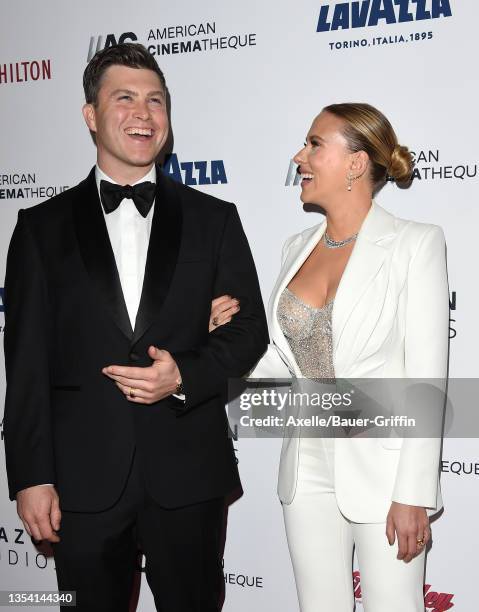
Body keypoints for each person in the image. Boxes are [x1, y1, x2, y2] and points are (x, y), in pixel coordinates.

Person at [3, 42, 268, 612]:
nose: (143, 114)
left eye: (156, 100)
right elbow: (24, 365)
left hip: (187, 474)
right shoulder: (39, 229)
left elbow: (250, 331)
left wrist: (184, 375)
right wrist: (30, 476)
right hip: (80, 481)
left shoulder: (213, 218)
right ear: (91, 115)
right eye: (124, 98)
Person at [212, 103, 449, 611]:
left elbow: (428, 380)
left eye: (315, 144)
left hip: (385, 471)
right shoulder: (296, 246)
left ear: (357, 163)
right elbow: (285, 360)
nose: (300, 155)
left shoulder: (415, 244)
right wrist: (221, 345)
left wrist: (414, 493)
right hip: (306, 466)